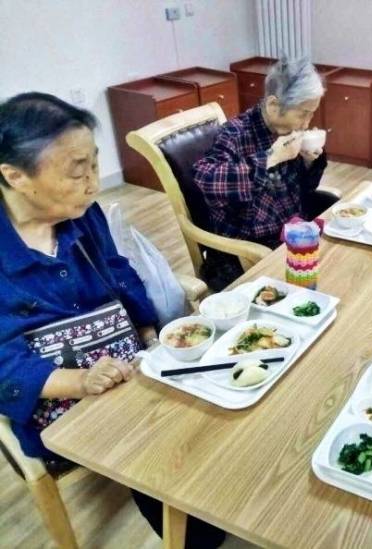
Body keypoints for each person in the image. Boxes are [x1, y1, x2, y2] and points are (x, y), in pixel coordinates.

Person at [0, 93, 224, 547]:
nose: (93, 183)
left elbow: (118, 271)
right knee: (167, 458)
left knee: (219, 398)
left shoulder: (82, 215)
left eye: (95, 164)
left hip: (130, 366)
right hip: (62, 400)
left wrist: (148, 332)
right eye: (77, 171)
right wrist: (82, 381)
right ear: (15, 176)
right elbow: (5, 366)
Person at [193, 55, 337, 290]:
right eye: (303, 113)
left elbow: (305, 190)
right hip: (248, 253)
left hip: (292, 238)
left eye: (312, 113)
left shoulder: (288, 134)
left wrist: (308, 162)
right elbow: (205, 179)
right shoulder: (235, 134)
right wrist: (271, 157)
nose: (307, 123)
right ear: (273, 105)